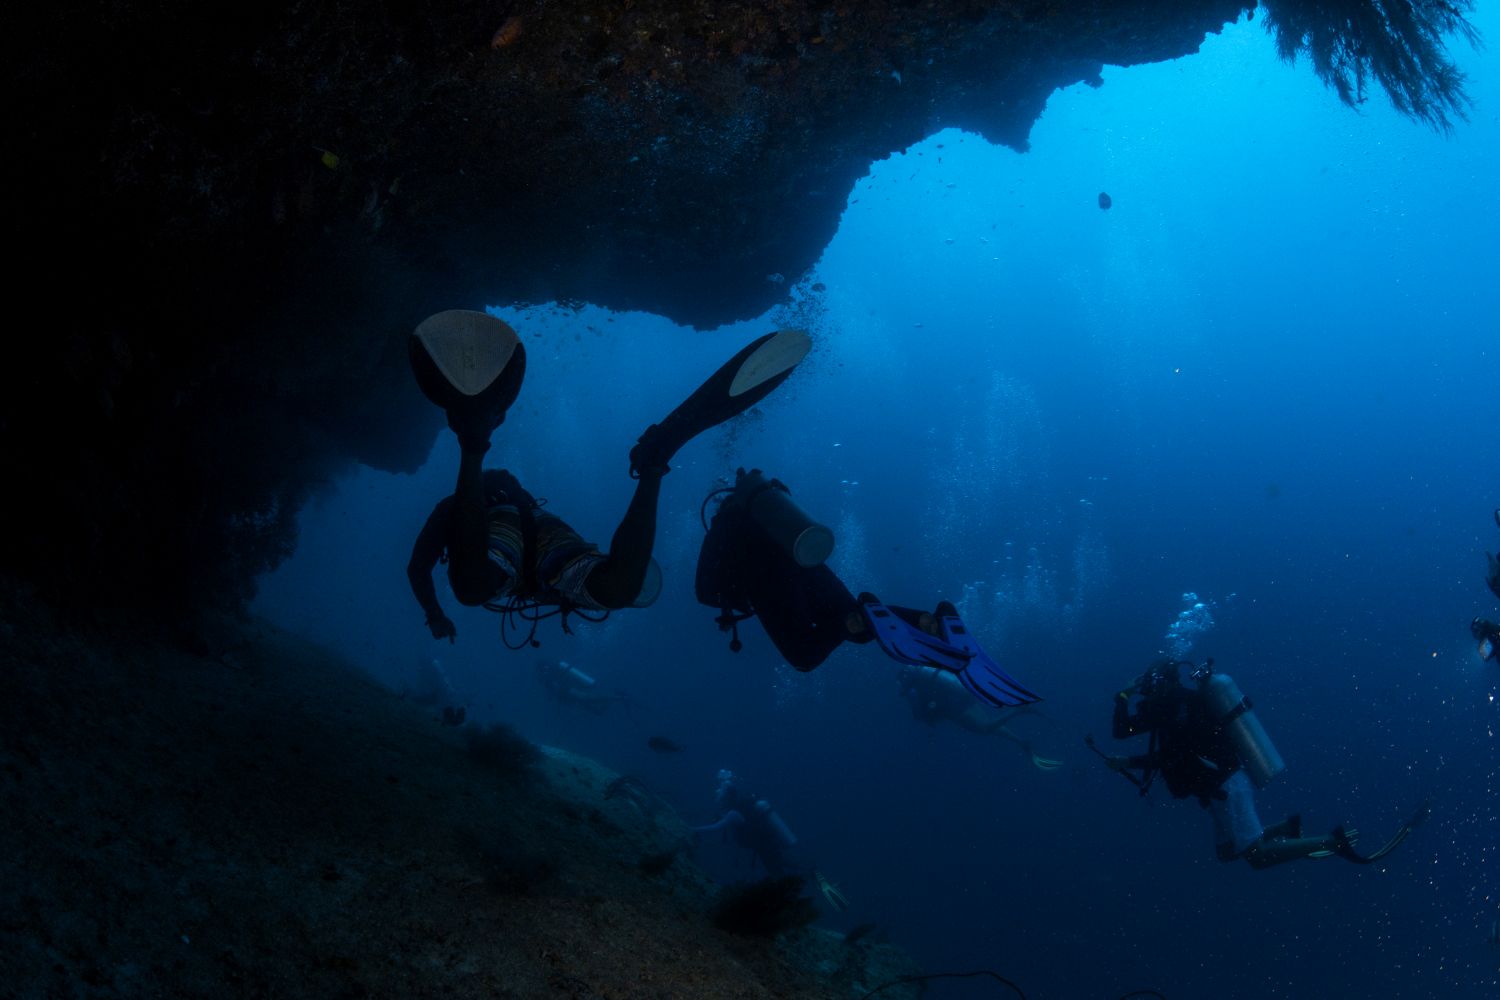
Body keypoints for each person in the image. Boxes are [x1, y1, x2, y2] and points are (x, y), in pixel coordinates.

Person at [406, 311, 809, 645]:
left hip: (519, 544)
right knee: (616, 589)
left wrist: (435, 614)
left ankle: (474, 444)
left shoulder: (457, 509)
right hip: (545, 542)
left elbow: (420, 567)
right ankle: (654, 462)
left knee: (474, 588)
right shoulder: (481, 508)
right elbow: (419, 567)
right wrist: (434, 614)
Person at [695, 467, 1041, 709]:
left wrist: (732, 601)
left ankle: (855, 622)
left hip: (766, 577)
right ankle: (928, 621)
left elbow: (705, 591)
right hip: (806, 562)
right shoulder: (771, 518)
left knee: (805, 655)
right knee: (858, 619)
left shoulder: (726, 528)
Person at [1104, 659, 1424, 869]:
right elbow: (1167, 751)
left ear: (1161, 681)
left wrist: (1123, 696)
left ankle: (1332, 841)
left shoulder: (1176, 707)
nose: (1146, 688)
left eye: (1149, 682)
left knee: (1256, 857)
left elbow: (1148, 744)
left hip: (1225, 787)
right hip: (1219, 788)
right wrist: (1128, 755)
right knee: (1226, 852)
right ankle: (1286, 828)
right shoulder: (1179, 705)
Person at [691, 769, 849, 910]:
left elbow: (716, 827)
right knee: (783, 864)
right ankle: (812, 874)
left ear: (726, 797)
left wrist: (690, 829)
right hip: (768, 844)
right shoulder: (739, 809)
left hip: (765, 847)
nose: (718, 797)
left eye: (720, 794)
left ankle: (798, 893)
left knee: (777, 874)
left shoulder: (733, 813)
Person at [897, 665, 1061, 770]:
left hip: (955, 709)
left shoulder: (914, 689)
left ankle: (1018, 711)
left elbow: (920, 715)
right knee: (990, 725)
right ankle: (1021, 742)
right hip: (964, 696)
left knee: (984, 729)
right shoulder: (927, 674)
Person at [534, 658, 631, 715]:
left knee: (587, 698)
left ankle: (619, 697)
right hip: (568, 695)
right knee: (598, 712)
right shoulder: (548, 673)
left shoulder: (548, 673)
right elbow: (552, 690)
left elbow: (555, 686)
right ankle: (616, 696)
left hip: (569, 689)